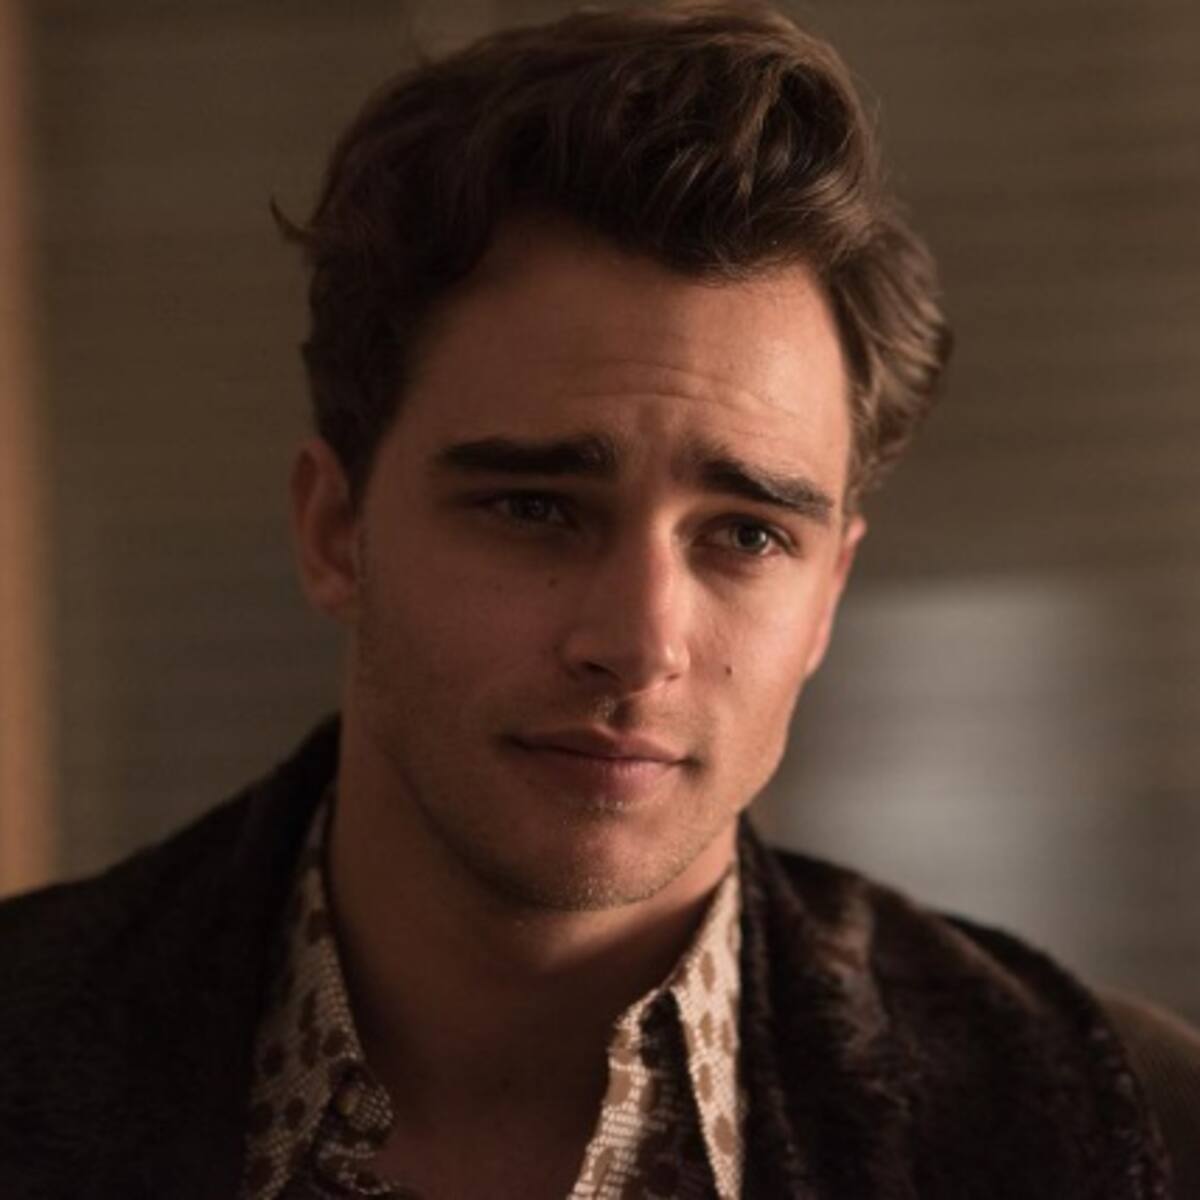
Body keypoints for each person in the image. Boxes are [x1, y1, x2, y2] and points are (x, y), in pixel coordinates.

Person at [1, 3, 1197, 1197]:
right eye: (535, 508)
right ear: (335, 533)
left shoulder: (1123, 1130)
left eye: (747, 534)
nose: (638, 642)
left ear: (829, 593)